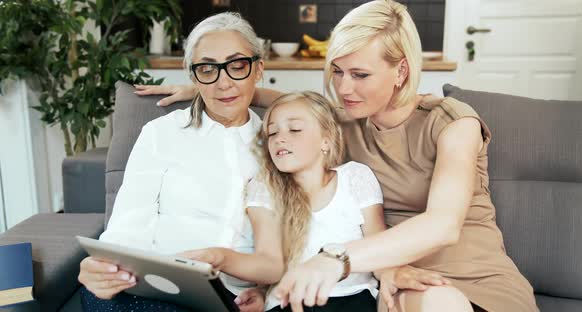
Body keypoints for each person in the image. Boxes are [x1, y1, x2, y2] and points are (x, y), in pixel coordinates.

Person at [135, 2, 539, 312]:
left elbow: (442, 225)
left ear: (400, 71)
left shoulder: (452, 122)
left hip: (468, 275)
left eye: (360, 75)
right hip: (388, 273)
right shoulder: (343, 123)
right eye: (337, 72)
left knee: (441, 303)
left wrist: (337, 259)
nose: (344, 88)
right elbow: (282, 104)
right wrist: (203, 86)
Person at [77, 12, 283, 312]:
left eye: (237, 66)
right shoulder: (161, 133)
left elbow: (294, 235)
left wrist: (269, 291)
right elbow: (129, 220)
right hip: (147, 286)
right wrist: (103, 269)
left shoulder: (280, 144)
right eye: (207, 69)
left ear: (258, 68)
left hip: (232, 294)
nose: (223, 83)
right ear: (192, 75)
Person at [248, 91, 390, 311]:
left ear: (326, 140)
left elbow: (380, 250)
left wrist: (394, 275)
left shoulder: (354, 177)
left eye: (295, 129)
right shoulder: (265, 187)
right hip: (288, 303)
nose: (280, 138)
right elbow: (267, 262)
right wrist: (256, 288)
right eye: (272, 133)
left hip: (351, 299)